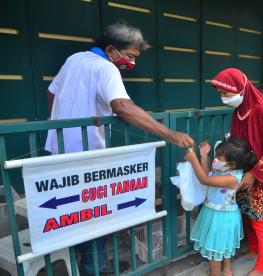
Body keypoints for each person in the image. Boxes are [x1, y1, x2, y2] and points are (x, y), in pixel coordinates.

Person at [45, 21, 194, 275]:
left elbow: (51, 92)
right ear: (112, 49)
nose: (131, 63)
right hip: (85, 155)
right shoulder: (106, 68)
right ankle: (96, 269)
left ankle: (83, 266)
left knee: (72, 216)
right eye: (129, 56)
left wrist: (60, 122)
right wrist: (170, 133)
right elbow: (123, 107)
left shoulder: (74, 60)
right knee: (95, 215)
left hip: (58, 149)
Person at [211, 68, 263, 276]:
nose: (223, 98)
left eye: (225, 93)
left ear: (240, 88)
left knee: (261, 222)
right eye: (220, 94)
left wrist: (254, 173)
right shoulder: (240, 110)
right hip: (244, 173)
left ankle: (262, 267)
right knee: (247, 216)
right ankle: (254, 252)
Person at [184, 138, 257, 276]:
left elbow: (204, 180)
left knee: (214, 250)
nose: (215, 160)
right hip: (220, 214)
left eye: (218, 157)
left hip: (220, 216)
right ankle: (227, 270)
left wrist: (193, 160)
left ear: (232, 164)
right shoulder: (223, 170)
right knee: (223, 245)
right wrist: (204, 156)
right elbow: (208, 176)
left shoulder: (231, 178)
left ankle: (215, 273)